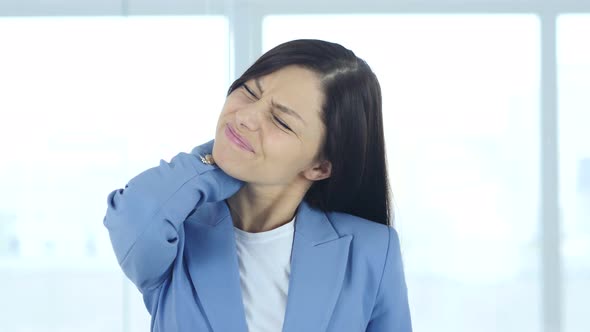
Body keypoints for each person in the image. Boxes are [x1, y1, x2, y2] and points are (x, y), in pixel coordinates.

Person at [103, 39, 412, 332]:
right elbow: (134, 215)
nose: (246, 117)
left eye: (281, 121)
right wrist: (210, 165)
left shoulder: (372, 249)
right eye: (250, 91)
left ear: (320, 166)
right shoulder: (177, 235)